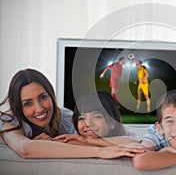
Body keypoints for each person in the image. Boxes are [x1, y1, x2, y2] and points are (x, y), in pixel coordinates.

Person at [0, 68, 145, 159]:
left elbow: (82, 142)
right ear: (18, 106)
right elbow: (25, 148)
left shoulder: (67, 117)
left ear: (51, 96)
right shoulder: (9, 121)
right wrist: (100, 152)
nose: (39, 109)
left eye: (43, 97)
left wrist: (52, 143)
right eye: (28, 103)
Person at [53, 90, 137, 146]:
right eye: (82, 118)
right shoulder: (77, 136)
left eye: (97, 117)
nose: (88, 123)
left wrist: (87, 141)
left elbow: (133, 143)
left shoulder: (125, 135)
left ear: (112, 123)